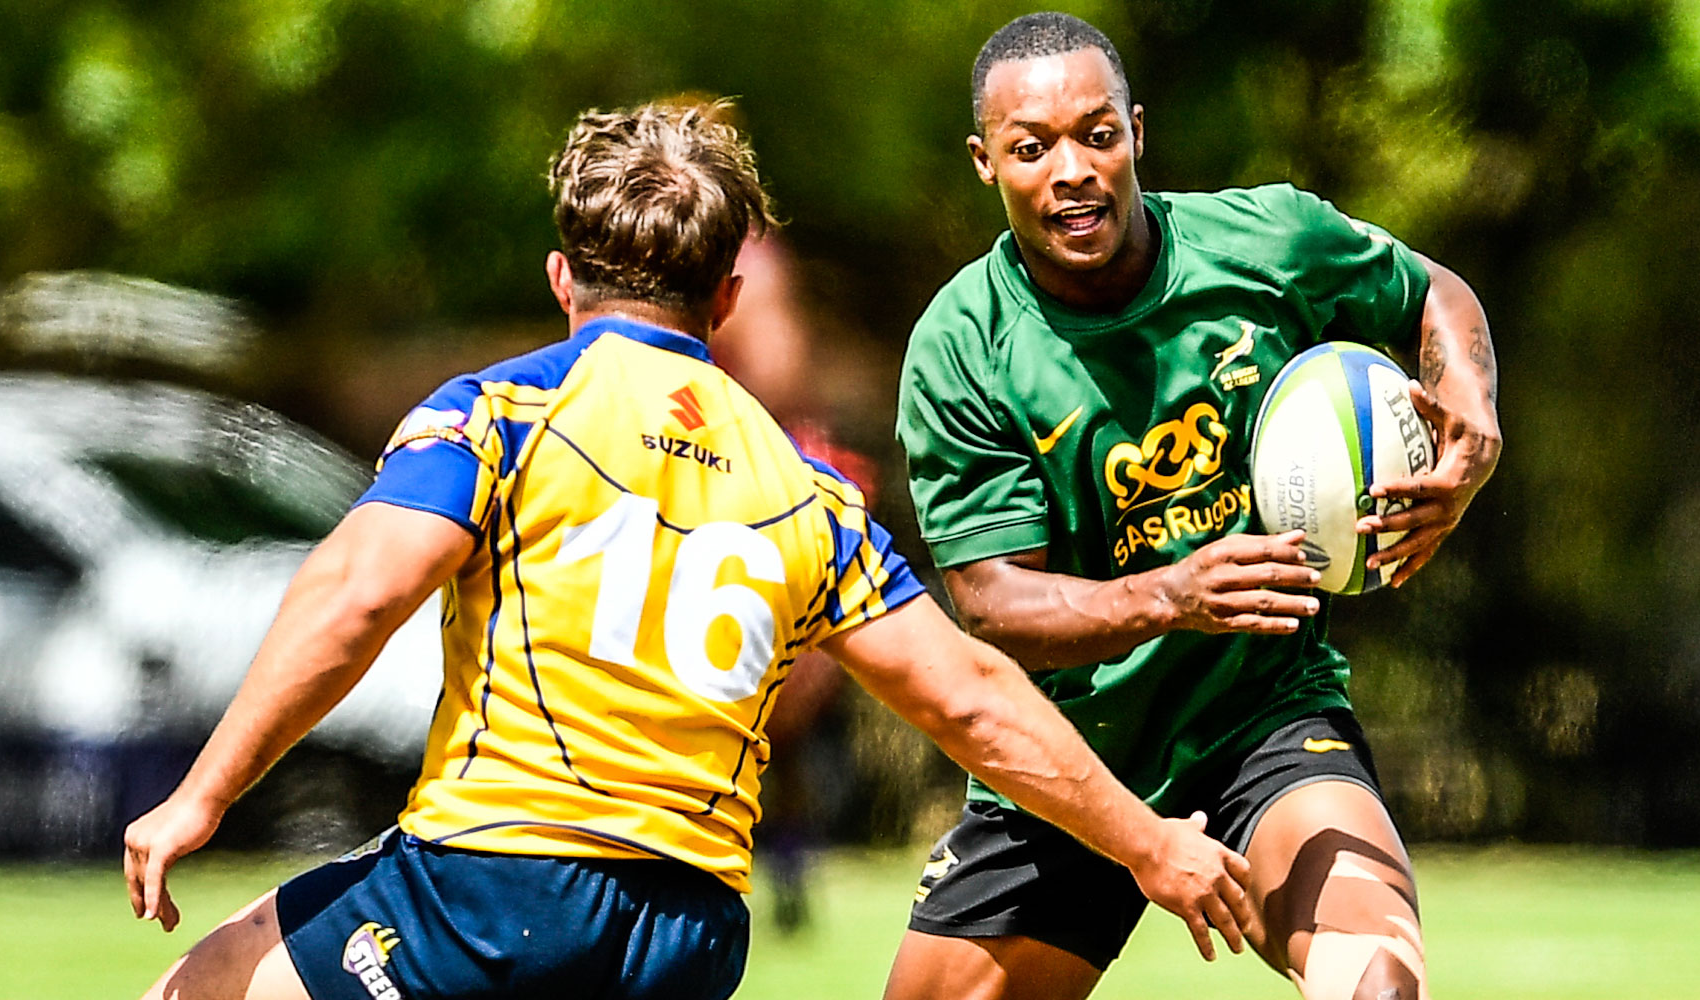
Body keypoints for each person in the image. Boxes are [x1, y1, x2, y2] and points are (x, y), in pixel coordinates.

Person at [121, 99, 1257, 1000]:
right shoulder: (810, 494)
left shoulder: (501, 415)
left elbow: (358, 593)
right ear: (725, 296)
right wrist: (1149, 842)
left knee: (200, 988)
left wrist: (201, 797)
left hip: (491, 889)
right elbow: (971, 696)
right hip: (685, 938)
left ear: (561, 277)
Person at [886, 13, 1501, 1000]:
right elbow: (994, 607)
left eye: (1097, 135)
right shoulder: (964, 344)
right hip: (1066, 766)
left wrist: (1470, 413)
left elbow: (1431, 293)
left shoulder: (1266, 243)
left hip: (1260, 718)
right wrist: (1173, 594)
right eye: (1030, 149)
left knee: (1376, 980)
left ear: (1136, 132)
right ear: (983, 160)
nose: (1072, 171)